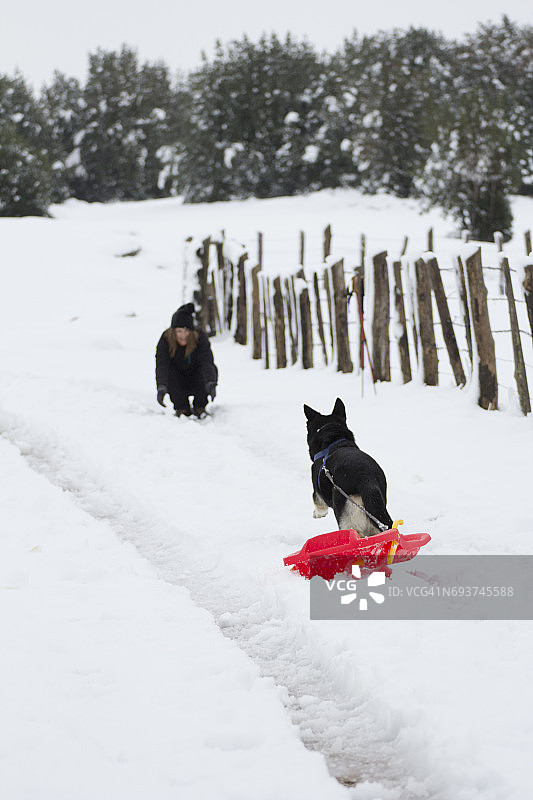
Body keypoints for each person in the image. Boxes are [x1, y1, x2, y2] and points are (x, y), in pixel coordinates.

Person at [155, 303, 218, 418]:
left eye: (186, 331)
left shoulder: (200, 338)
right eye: (179, 331)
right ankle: (182, 407)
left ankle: (200, 406)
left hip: (196, 378)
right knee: (170, 372)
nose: (183, 335)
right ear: (173, 331)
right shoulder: (165, 340)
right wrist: (161, 386)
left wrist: (210, 383)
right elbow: (162, 364)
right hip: (177, 380)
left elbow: (206, 361)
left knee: (207, 370)